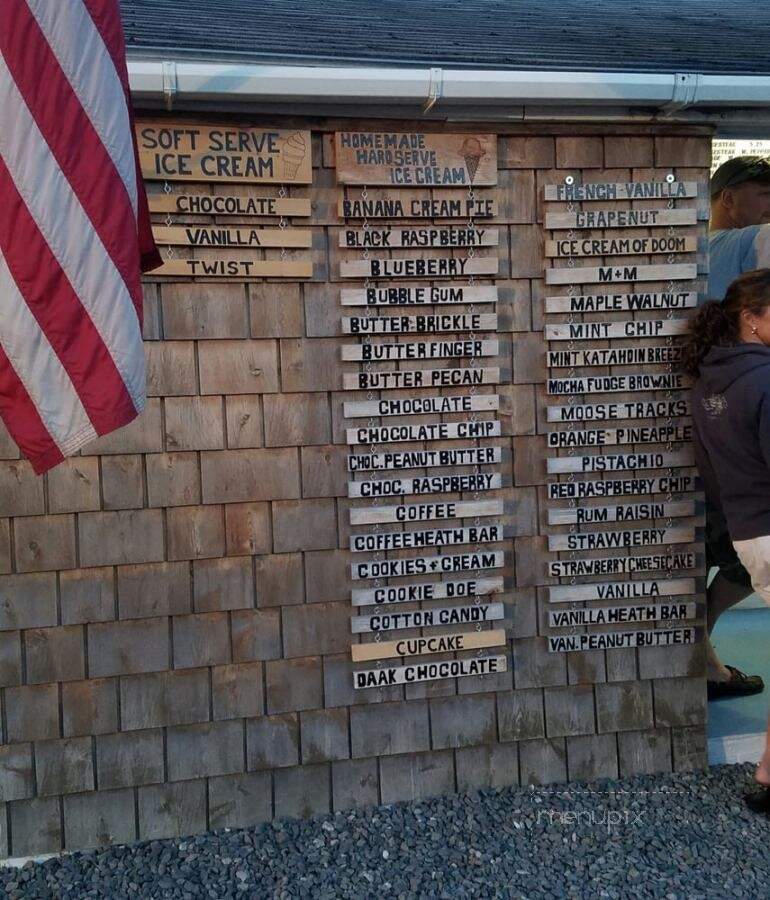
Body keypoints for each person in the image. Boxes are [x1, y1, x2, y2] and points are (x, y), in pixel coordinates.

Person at [685, 268, 770, 811]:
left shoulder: (708, 380)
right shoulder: (763, 380)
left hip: (747, 532)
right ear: (752, 317)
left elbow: (712, 468)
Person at [704, 156, 770, 698]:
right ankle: (701, 647)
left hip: (712, 421)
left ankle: (701, 651)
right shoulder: (743, 242)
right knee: (738, 557)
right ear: (729, 197)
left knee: (724, 553)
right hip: (740, 431)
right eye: (763, 194)